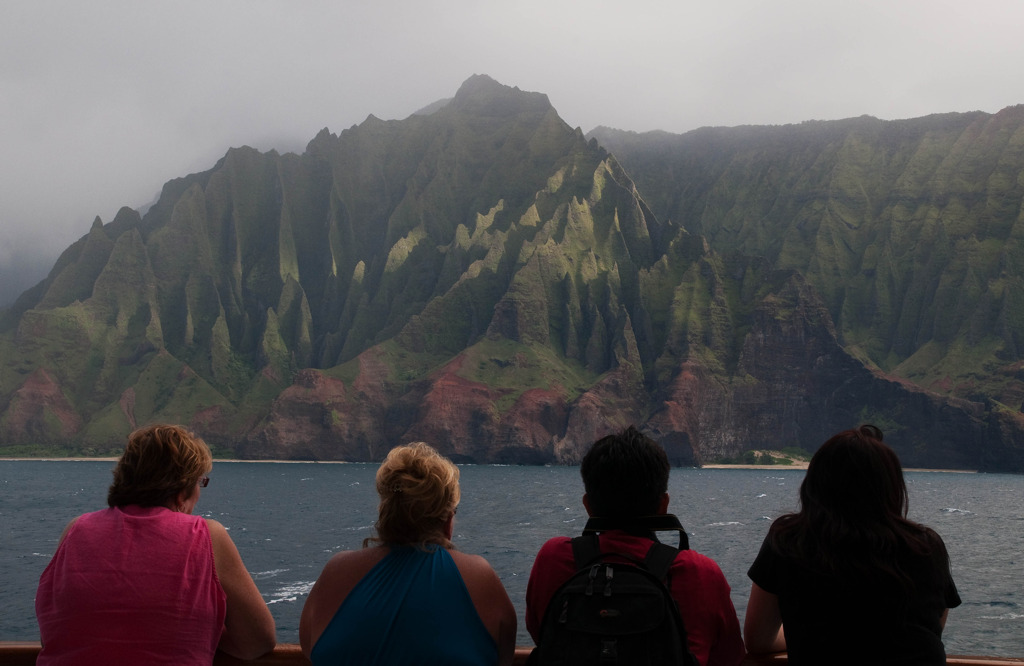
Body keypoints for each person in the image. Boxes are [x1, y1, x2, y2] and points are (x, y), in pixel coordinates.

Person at [35, 424, 276, 665]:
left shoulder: (75, 530)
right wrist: (200, 631)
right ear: (182, 489)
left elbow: (53, 635)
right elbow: (258, 641)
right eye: (199, 483)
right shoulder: (207, 535)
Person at [525, 426, 746, 666]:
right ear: (664, 505)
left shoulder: (553, 558)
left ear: (588, 506)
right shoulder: (700, 573)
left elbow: (541, 633)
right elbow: (730, 658)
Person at [744, 424, 961, 665]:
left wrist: (801, 631)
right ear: (891, 486)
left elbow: (758, 640)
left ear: (815, 483)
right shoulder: (926, 548)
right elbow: (932, 628)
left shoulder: (788, 542)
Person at [300, 441, 517, 665]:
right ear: (448, 521)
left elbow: (309, 649)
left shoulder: (337, 572)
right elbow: (504, 657)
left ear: (385, 511)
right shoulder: (478, 576)